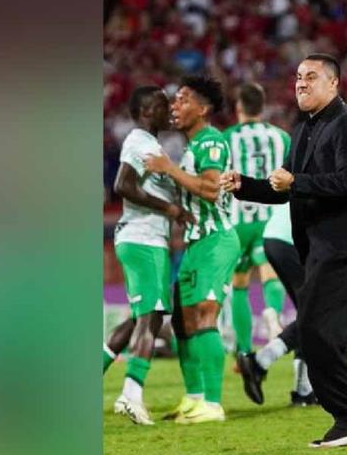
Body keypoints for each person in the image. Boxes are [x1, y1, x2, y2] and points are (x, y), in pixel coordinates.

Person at [221, 54, 347, 448]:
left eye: (311, 77)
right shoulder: (303, 128)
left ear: (333, 84)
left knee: (318, 332)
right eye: (298, 77)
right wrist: (244, 185)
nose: (301, 83)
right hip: (321, 246)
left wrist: (296, 180)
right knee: (318, 332)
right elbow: (283, 188)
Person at [234, 117, 347, 409]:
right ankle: (265, 365)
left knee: (312, 313)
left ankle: (295, 383)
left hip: (282, 238)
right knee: (315, 314)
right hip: (291, 239)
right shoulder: (344, 170)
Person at [144, 76, 241, 423]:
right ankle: (194, 397)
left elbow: (212, 190)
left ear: (203, 109)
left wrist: (168, 168)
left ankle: (212, 404)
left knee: (204, 315)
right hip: (195, 244)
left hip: (216, 242)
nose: (174, 106)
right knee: (183, 324)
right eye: (175, 100)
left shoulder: (211, 142)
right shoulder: (190, 147)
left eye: (183, 100)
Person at [106, 86, 193, 424]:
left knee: (141, 318)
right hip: (142, 238)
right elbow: (123, 185)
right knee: (152, 316)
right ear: (144, 111)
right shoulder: (139, 141)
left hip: (144, 238)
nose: (167, 107)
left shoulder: (151, 144)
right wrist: (169, 208)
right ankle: (131, 394)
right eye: (160, 104)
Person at [223, 82, 291, 357]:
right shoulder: (282, 137)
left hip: (239, 220)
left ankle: (242, 350)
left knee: (239, 284)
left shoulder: (227, 137)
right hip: (271, 218)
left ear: (238, 106)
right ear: (262, 107)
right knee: (270, 274)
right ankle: (273, 313)